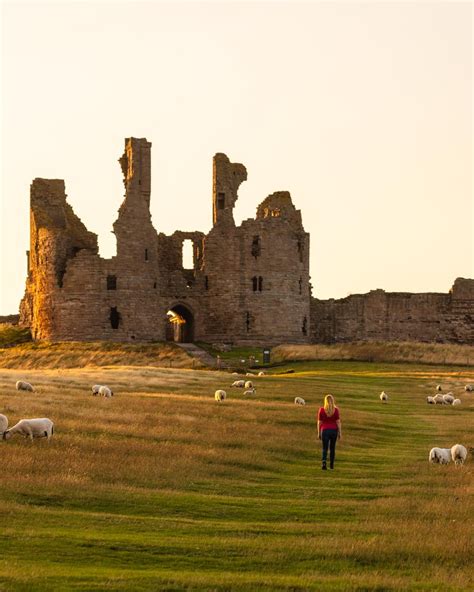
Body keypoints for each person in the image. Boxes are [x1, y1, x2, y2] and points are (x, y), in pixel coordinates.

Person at [317, 394, 341, 470]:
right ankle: (331, 465)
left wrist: (318, 432)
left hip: (325, 430)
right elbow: (338, 422)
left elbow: (319, 422)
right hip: (334, 431)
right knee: (332, 448)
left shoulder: (321, 410)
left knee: (325, 448)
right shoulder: (336, 410)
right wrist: (340, 432)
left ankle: (324, 462)